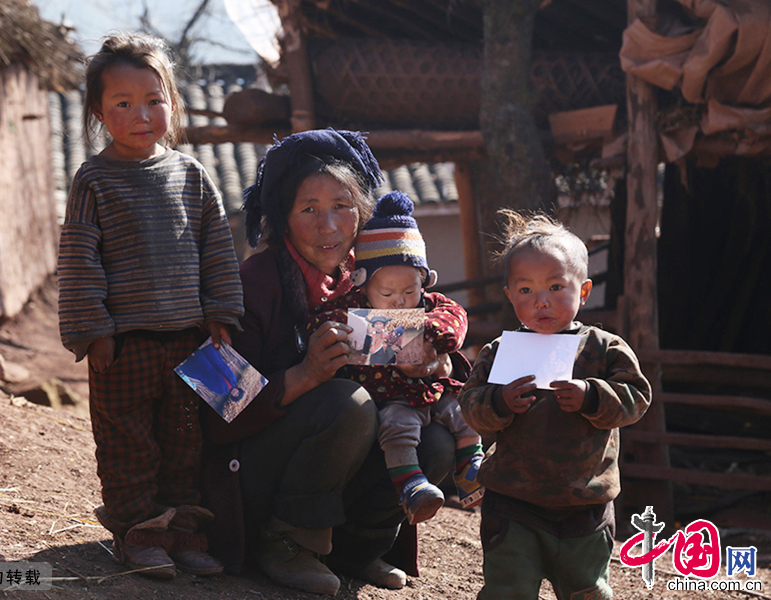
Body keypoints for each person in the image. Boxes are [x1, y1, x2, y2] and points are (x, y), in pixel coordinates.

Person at [199, 129, 461, 596]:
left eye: (342, 206)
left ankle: (356, 551)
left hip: (337, 464)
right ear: (282, 219)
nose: (330, 226)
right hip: (250, 477)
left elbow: (430, 343)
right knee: (348, 403)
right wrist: (303, 376)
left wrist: (434, 364)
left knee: (435, 443)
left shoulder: (371, 278)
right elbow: (211, 411)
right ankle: (284, 542)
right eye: (308, 209)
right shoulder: (248, 283)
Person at [57, 33, 244, 580]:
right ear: (98, 112)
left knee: (185, 443)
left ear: (173, 102)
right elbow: (79, 259)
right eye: (123, 104)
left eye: (154, 100)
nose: (142, 115)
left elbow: (217, 248)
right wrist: (94, 330)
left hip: (191, 341)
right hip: (125, 344)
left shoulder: (191, 175)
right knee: (128, 443)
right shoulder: (93, 179)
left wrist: (221, 313)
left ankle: (184, 531)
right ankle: (138, 533)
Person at [459, 209, 651, 599]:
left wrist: (592, 395)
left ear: (583, 291)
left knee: (586, 590)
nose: (540, 302)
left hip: (585, 502)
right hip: (512, 502)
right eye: (526, 290)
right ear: (510, 295)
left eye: (555, 287)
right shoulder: (500, 353)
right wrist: (499, 400)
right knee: (507, 589)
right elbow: (470, 406)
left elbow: (637, 399)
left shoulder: (604, 349)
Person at [307, 191, 485, 525]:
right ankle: (411, 486)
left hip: (436, 391)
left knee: (465, 413)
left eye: (410, 292)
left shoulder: (431, 307)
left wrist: (427, 332)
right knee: (397, 429)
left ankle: (471, 466)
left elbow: (455, 317)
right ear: (362, 286)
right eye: (387, 294)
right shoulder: (350, 310)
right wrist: (394, 334)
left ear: (424, 281)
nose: (400, 302)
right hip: (393, 399)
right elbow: (321, 322)